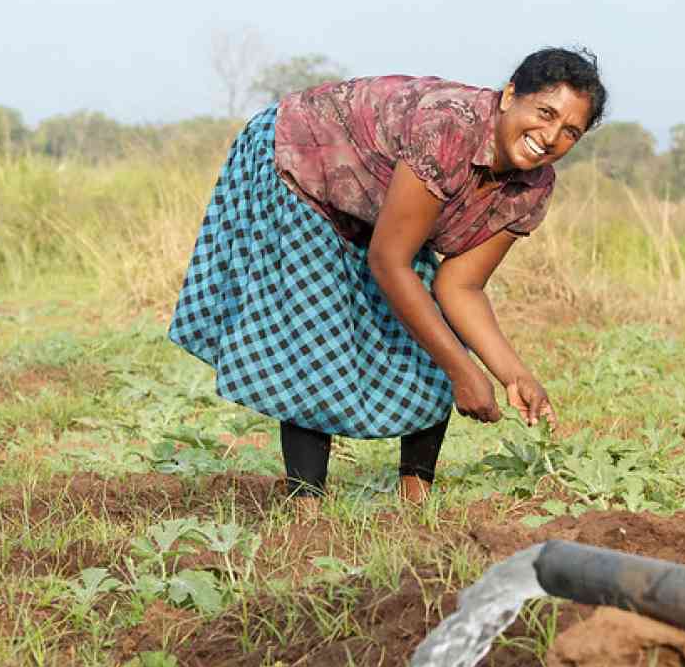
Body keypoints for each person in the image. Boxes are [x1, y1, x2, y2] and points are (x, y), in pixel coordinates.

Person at [169, 46, 607, 517]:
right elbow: (388, 261)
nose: (550, 136)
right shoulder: (449, 128)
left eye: (570, 131)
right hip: (302, 162)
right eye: (544, 113)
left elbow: (460, 288)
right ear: (508, 97)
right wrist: (464, 372)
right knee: (318, 332)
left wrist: (514, 375)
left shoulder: (533, 185)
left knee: (431, 330)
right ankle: (306, 508)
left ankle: (416, 498)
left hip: (375, 199)